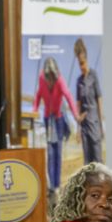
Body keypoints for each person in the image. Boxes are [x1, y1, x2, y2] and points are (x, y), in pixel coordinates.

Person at [33, 56, 78, 197]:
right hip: (48, 119)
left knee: (57, 152)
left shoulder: (60, 80)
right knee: (51, 153)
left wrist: (76, 115)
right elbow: (39, 94)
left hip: (58, 119)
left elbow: (69, 96)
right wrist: (34, 111)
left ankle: (56, 185)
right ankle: (52, 186)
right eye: (49, 78)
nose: (51, 81)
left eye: (52, 77)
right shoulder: (41, 78)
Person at [73, 38, 105, 164]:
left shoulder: (94, 75)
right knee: (87, 162)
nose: (81, 66)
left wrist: (101, 125)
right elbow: (78, 105)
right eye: (79, 64)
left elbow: (99, 98)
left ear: (86, 60)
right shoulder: (78, 81)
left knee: (97, 159)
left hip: (95, 124)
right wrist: (78, 129)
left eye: (83, 63)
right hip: (85, 126)